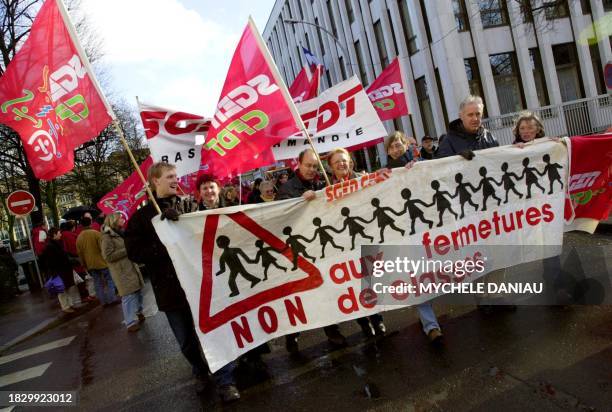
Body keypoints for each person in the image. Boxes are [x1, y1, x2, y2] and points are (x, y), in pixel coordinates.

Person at [124, 163, 240, 403]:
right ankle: (199, 370)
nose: (176, 180)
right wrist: (161, 234)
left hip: (199, 284)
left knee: (212, 333)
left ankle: (225, 380)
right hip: (170, 290)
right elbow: (134, 253)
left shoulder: (189, 205)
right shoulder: (141, 219)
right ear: (155, 181)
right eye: (169, 177)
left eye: (176, 176)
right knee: (186, 342)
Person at [277, 149, 348, 352]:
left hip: (319, 248)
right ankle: (293, 335)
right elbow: (282, 218)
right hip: (298, 251)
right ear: (298, 164)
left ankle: (332, 330)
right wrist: (301, 200)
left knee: (325, 288)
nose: (311, 169)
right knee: (299, 294)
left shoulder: (322, 183)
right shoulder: (286, 189)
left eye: (315, 166)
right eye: (308, 165)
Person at [327, 148, 388, 337]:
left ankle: (377, 320)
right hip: (343, 245)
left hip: (364, 239)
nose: (341, 164)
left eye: (344, 160)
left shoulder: (363, 179)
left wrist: (378, 176)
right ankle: (363, 322)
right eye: (336, 162)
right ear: (330, 167)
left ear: (350, 163)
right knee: (351, 284)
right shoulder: (325, 187)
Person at [100, 213, 145, 332]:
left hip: (131, 266)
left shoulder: (122, 232)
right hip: (122, 271)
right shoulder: (107, 237)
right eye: (120, 218)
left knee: (138, 291)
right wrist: (126, 249)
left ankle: (138, 311)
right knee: (128, 295)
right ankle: (130, 322)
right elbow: (107, 256)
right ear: (114, 221)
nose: (122, 219)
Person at [436, 95, 498, 159]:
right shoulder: (448, 141)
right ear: (461, 116)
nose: (475, 119)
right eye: (470, 115)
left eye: (478, 114)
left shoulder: (489, 136)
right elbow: (440, 166)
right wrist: (457, 158)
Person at [76, 216, 119, 306]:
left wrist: (84, 265)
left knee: (97, 283)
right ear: (90, 222)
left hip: (90, 264)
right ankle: (112, 298)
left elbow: (80, 254)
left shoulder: (79, 237)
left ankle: (103, 302)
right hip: (102, 262)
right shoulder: (96, 234)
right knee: (109, 280)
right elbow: (102, 247)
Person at [40, 228, 77, 313]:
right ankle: (66, 307)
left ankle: (69, 304)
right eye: (59, 233)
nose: (60, 234)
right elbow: (53, 261)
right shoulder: (51, 246)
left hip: (62, 271)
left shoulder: (55, 244)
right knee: (62, 289)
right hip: (59, 271)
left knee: (66, 288)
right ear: (54, 235)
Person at [61, 221, 94, 303]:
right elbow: (74, 248)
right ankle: (85, 296)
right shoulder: (70, 235)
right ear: (72, 227)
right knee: (81, 278)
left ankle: (85, 295)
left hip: (71, 259)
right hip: (76, 259)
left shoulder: (63, 235)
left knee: (81, 278)